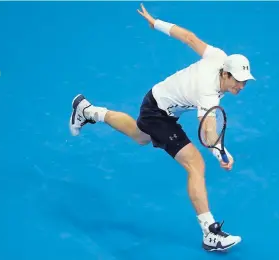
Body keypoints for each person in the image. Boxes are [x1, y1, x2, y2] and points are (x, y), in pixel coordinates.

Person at [69, 3, 255, 252]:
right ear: (226, 75)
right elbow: (208, 127)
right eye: (238, 82)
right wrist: (219, 149)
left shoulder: (219, 57)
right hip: (159, 112)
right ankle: (210, 233)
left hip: (157, 99)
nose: (241, 87)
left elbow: (189, 38)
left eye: (245, 83)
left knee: (140, 136)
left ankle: (88, 110)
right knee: (195, 164)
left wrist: (156, 23)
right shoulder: (207, 92)